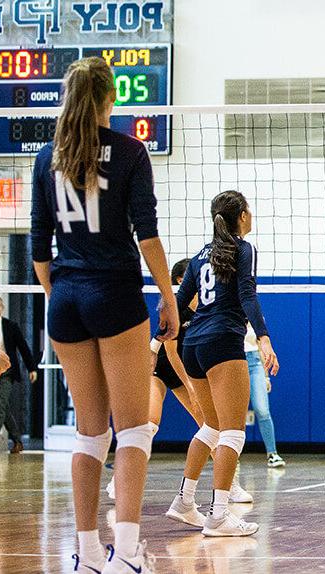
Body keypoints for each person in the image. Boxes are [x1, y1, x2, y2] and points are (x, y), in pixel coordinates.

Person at [30, 56, 179, 573]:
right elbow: (148, 234)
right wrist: (168, 293)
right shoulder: (131, 152)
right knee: (134, 429)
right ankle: (129, 553)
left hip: (67, 299)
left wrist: (60, 296)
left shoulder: (48, 156)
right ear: (110, 97)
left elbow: (38, 250)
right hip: (115, 296)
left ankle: (89, 552)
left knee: (90, 434)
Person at [164, 190, 279, 537]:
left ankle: (184, 501)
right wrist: (263, 337)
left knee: (211, 428)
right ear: (242, 216)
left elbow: (179, 300)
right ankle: (218, 515)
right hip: (222, 342)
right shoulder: (244, 249)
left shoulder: (199, 256)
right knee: (232, 432)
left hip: (193, 345)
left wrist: (160, 333)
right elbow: (247, 294)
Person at [104, 259, 254, 503]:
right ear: (180, 281)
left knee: (211, 427)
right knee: (150, 424)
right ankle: (118, 479)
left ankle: (231, 486)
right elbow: (171, 353)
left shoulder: (210, 306)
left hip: (188, 368)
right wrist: (192, 386)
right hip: (160, 368)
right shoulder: (178, 306)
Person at [0, 296, 39, 454]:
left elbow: (23, 347)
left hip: (7, 372)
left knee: (0, 405)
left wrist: (32, 368)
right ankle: (17, 441)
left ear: (2, 307)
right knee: (3, 407)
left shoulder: (11, 326)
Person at [245, 322, 285, 468]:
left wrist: (266, 376)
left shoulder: (254, 314)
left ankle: (272, 453)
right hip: (234, 359)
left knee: (262, 409)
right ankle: (232, 456)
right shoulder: (225, 309)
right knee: (234, 413)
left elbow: (261, 345)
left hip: (254, 362)